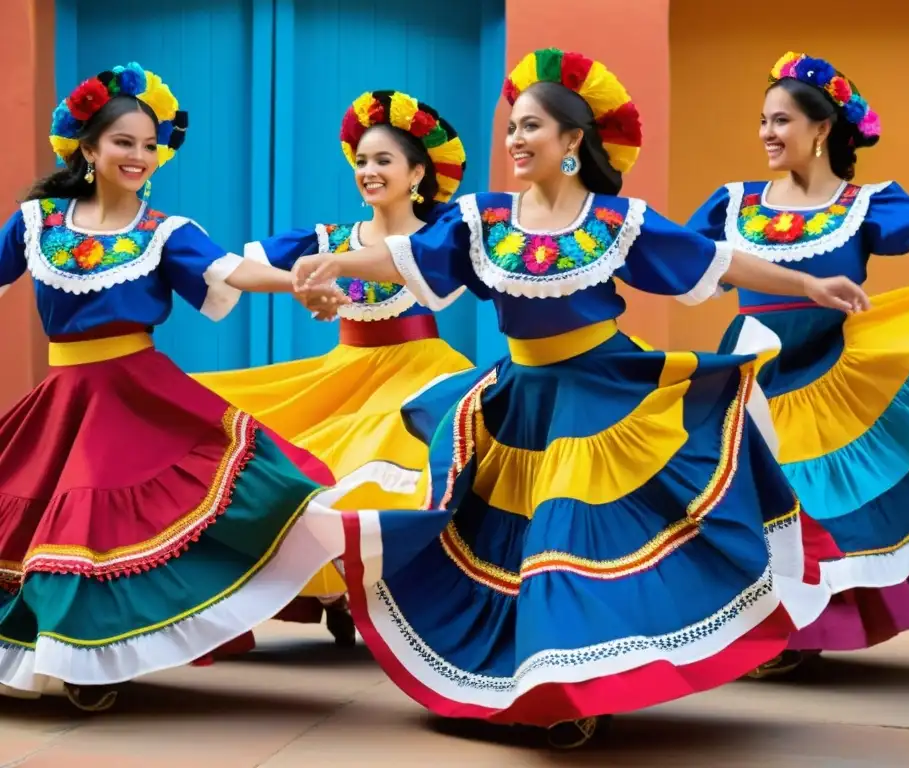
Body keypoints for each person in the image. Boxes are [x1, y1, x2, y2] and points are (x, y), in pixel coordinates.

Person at [290, 48, 870, 749]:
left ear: (572, 142)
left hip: (600, 398)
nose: (515, 140)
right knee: (501, 547)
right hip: (521, 403)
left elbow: (712, 261)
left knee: (564, 549)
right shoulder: (483, 219)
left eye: (531, 126)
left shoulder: (616, 221)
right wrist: (338, 261)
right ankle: (532, 685)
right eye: (511, 128)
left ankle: (564, 693)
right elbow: (405, 256)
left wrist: (808, 285)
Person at [0, 63, 345, 710]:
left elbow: (232, 270)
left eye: (148, 144)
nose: (138, 155)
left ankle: (89, 659)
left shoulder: (165, 231)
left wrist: (298, 281)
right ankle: (72, 656)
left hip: (134, 395)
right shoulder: (38, 222)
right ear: (88, 148)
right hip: (65, 397)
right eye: (123, 142)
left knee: (95, 516)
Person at [685, 51, 909, 677]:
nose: (766, 133)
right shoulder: (731, 203)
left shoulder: (865, 204)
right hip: (753, 367)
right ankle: (745, 622)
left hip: (832, 370)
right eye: (762, 120)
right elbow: (677, 255)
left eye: (781, 120)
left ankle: (801, 629)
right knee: (744, 494)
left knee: (820, 499)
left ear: (821, 129)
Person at [194, 90, 473, 645]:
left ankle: (392, 597)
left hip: (416, 372)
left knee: (390, 447)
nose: (369, 171)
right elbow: (234, 266)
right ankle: (327, 588)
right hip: (343, 374)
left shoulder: (440, 237)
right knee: (238, 432)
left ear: (417, 171)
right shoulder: (326, 241)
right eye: (362, 162)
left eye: (384, 161)